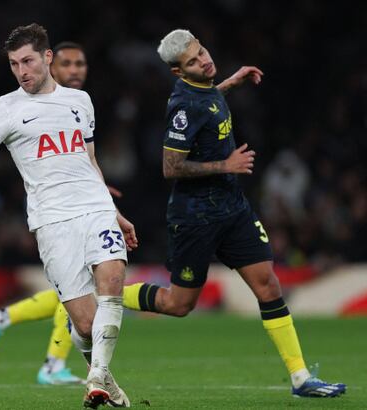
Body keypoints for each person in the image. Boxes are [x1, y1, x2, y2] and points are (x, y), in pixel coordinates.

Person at [147, 28, 346, 398]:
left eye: (202, 51)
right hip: (196, 217)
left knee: (268, 285)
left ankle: (301, 378)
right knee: (179, 304)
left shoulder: (205, 88)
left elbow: (207, 104)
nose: (204, 61)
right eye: (193, 61)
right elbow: (170, 167)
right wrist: (226, 165)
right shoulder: (182, 106)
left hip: (232, 209)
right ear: (178, 71)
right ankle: (110, 295)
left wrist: (230, 83)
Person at [0, 24, 134, 407]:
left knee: (113, 278)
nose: (22, 71)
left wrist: (114, 211)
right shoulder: (6, 108)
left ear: (47, 57)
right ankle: (103, 376)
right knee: (84, 324)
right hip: (51, 221)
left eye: (28, 61)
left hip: (95, 209)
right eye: (14, 64)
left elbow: (89, 161)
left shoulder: (80, 101)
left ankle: (96, 377)